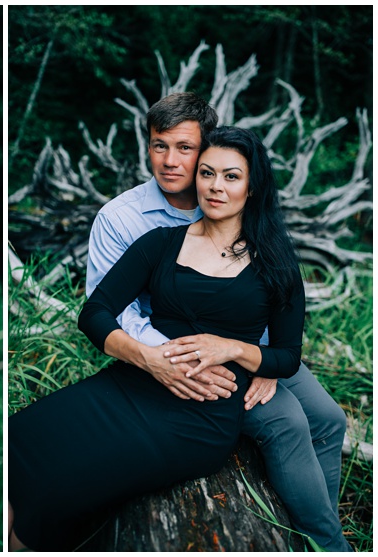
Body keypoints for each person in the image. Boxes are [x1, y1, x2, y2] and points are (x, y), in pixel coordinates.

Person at [8, 126, 318, 550]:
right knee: (16, 441)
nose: (215, 186)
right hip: (134, 382)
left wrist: (231, 348)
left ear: (253, 186)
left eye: (231, 176)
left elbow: (287, 357)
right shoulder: (161, 243)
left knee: (60, 488)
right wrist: (150, 360)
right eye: (207, 173)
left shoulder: (276, 262)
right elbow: (94, 313)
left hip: (200, 414)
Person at [82, 92, 349, 551]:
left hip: (247, 345)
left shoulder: (243, 212)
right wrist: (186, 358)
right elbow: (115, 313)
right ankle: (327, 542)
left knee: (328, 418)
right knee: (286, 422)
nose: (170, 161)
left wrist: (259, 360)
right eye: (159, 145)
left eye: (186, 148)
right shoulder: (123, 219)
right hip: (170, 354)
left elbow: (263, 300)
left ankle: (317, 532)